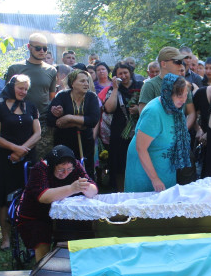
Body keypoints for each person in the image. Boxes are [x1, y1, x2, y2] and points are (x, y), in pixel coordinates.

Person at [17, 145, 97, 276]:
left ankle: (75, 272)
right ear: (52, 165)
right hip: (36, 215)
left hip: (62, 214)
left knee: (80, 228)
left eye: (69, 169)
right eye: (61, 170)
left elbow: (93, 188)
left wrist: (86, 188)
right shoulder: (40, 169)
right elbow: (43, 196)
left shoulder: (75, 166)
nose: (66, 173)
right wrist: (72, 188)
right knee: (41, 235)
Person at [0, 74, 41, 251]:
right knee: (6, 197)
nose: (23, 92)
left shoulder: (31, 106)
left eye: (26, 89)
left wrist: (22, 150)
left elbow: (37, 133)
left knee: (30, 195)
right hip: (8, 159)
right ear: (12, 87)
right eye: (20, 88)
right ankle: (6, 237)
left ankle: (28, 232)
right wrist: (14, 149)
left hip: (28, 157)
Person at [125, 74, 191, 192]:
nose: (184, 100)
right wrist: (155, 179)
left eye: (186, 95)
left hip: (164, 164)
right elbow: (141, 148)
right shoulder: (153, 112)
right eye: (179, 95)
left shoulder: (175, 107)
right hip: (144, 168)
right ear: (168, 93)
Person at [6, 33, 57, 158]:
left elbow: (51, 97)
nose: (42, 51)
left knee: (42, 161)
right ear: (29, 47)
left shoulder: (51, 70)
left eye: (45, 48)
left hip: (42, 122)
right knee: (18, 159)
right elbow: (7, 96)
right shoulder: (15, 68)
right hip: (19, 121)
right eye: (38, 48)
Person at [48, 70, 100, 180]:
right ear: (72, 83)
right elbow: (52, 121)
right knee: (65, 171)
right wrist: (79, 123)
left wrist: (68, 118)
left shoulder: (91, 97)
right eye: (82, 81)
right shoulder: (62, 96)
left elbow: (93, 120)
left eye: (87, 81)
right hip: (64, 142)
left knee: (85, 170)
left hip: (85, 141)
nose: (86, 84)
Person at [102, 62, 143, 191]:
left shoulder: (141, 86)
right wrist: (115, 89)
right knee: (119, 165)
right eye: (120, 73)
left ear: (131, 73)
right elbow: (109, 108)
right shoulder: (112, 89)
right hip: (119, 132)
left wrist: (138, 109)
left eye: (126, 73)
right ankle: (122, 191)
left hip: (139, 130)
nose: (123, 76)